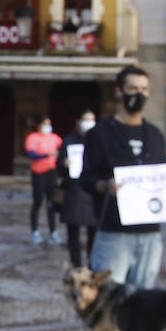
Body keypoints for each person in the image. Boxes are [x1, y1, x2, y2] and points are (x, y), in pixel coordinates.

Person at [77, 65, 166, 331]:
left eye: (144, 89)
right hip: (114, 230)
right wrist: (105, 186)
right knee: (103, 297)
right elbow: (85, 179)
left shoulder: (155, 135)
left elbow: (161, 177)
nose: (139, 95)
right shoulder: (100, 135)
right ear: (119, 91)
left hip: (149, 232)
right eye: (133, 89)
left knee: (143, 299)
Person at [55, 110, 98, 268]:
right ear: (78, 121)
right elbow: (58, 165)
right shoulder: (69, 140)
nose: (89, 123)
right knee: (73, 231)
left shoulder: (97, 140)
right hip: (74, 190)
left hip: (92, 192)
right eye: (86, 119)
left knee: (93, 231)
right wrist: (64, 163)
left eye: (92, 120)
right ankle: (76, 265)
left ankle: (92, 265)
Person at [25, 116, 62, 245]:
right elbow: (31, 154)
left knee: (52, 202)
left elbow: (63, 148)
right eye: (45, 124)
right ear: (39, 125)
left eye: (49, 124)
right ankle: (35, 231)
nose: (48, 126)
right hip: (38, 172)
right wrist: (47, 155)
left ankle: (53, 232)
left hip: (52, 172)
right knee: (38, 201)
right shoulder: (32, 138)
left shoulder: (54, 137)